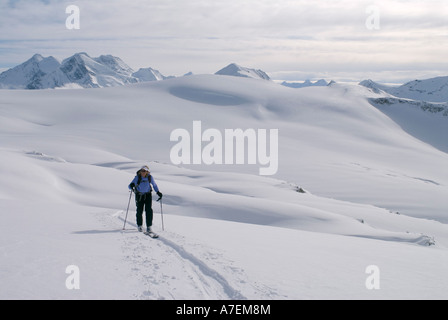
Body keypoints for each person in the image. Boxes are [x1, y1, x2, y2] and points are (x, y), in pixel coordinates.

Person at [128, 165, 163, 233]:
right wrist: (131, 186)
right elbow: (129, 186)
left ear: (147, 172)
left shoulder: (150, 177)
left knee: (149, 210)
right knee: (139, 210)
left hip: (148, 195)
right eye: (142, 170)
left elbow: (154, 185)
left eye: (144, 171)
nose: (143, 172)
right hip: (139, 195)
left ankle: (149, 227)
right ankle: (140, 226)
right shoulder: (137, 177)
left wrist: (158, 192)